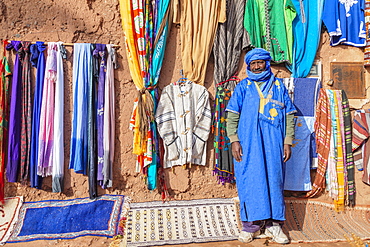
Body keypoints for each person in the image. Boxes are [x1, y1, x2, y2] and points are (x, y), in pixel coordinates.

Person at [226, 48, 296, 244]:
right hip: (248, 144)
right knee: (250, 181)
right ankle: (251, 226)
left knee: (274, 180)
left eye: (260, 62)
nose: (257, 66)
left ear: (267, 63)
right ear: (249, 66)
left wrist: (288, 141)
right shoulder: (243, 87)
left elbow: (289, 115)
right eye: (253, 63)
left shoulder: (279, 86)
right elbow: (232, 115)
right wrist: (234, 140)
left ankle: (274, 226)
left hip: (274, 143)